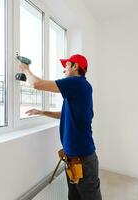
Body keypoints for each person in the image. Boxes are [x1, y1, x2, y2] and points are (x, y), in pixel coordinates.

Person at [18, 54, 102, 200]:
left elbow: (37, 84)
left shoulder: (77, 83)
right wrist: (42, 112)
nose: (64, 70)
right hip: (72, 159)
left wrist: (25, 69)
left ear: (76, 67)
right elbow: (64, 115)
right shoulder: (78, 89)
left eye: (66, 66)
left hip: (83, 160)